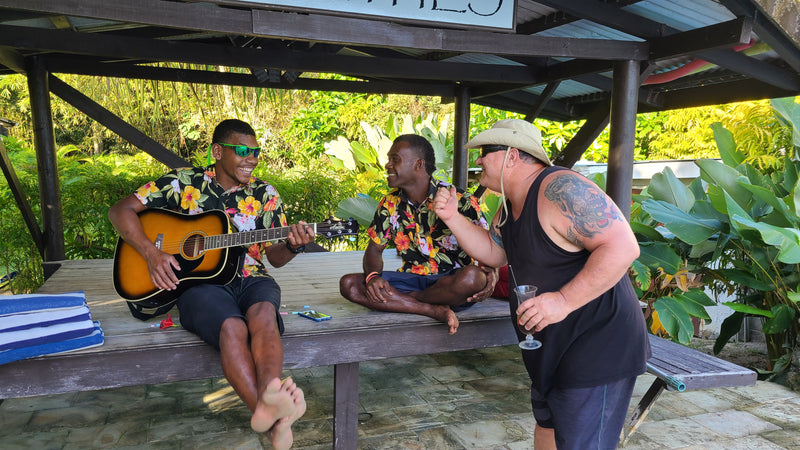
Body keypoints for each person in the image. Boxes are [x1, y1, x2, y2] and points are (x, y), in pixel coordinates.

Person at [433, 119, 650, 449]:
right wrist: (452, 216)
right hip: (552, 348)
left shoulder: (561, 188)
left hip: (596, 344)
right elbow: (494, 253)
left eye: (486, 152)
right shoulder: (508, 204)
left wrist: (562, 301)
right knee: (547, 431)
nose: (478, 161)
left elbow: (623, 247)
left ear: (513, 156)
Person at [108, 119, 309, 450]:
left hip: (252, 277)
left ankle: (270, 397)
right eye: (243, 151)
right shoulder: (184, 182)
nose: (252, 158)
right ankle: (272, 421)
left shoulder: (264, 193)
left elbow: (275, 257)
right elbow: (121, 211)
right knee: (232, 328)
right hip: (200, 286)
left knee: (263, 316)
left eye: (256, 152)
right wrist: (152, 254)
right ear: (218, 151)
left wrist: (293, 244)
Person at [339, 134, 496, 335]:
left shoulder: (459, 200)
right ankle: (430, 309)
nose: (387, 165)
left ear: (419, 164)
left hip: (451, 284)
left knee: (473, 278)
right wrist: (372, 278)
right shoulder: (389, 204)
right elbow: (373, 251)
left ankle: (406, 301)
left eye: (395, 159)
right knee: (350, 284)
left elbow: (489, 247)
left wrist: (491, 272)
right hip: (410, 278)